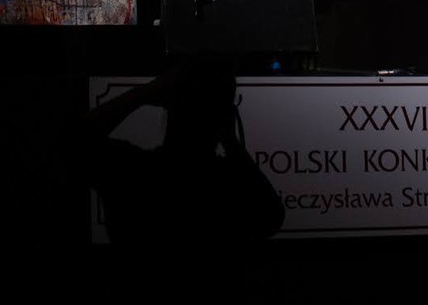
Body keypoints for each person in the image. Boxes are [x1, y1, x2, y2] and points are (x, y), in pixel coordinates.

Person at [63, 51, 285, 247]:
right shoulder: (233, 188)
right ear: (226, 116)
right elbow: (272, 216)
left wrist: (144, 93)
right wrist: (232, 142)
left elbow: (74, 143)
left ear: (169, 102)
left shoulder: (131, 173)